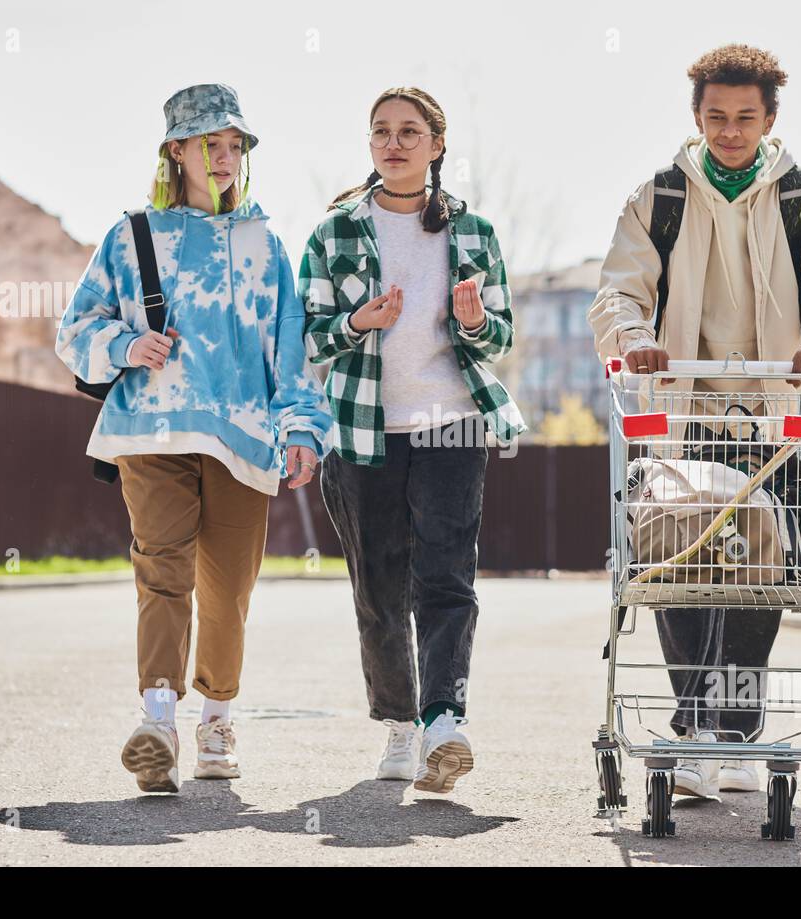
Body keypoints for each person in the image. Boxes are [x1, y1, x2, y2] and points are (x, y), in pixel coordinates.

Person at [587, 45, 801, 797]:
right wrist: (635, 337)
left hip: (775, 414)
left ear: (770, 118)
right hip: (685, 412)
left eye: (746, 118)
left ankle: (736, 735)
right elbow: (617, 292)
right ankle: (693, 728)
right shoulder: (661, 197)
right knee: (681, 557)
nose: (731, 132)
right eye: (717, 118)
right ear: (697, 117)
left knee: (756, 569)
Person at [55, 83, 331, 793]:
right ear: (176, 151)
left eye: (236, 145)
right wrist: (125, 345)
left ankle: (217, 721)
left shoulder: (267, 247)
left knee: (230, 588)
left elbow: (290, 352)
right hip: (150, 429)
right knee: (162, 567)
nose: (227, 157)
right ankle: (156, 719)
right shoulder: (131, 237)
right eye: (213, 143)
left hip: (244, 438)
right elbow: (74, 330)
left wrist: (302, 430)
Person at [299, 86, 526, 793]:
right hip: (364, 431)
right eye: (381, 132)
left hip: (452, 423)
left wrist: (472, 321)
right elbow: (307, 336)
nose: (393, 143)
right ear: (371, 146)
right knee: (378, 584)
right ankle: (399, 724)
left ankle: (442, 720)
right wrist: (358, 323)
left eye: (408, 132)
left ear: (435, 146)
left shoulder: (473, 233)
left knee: (447, 577)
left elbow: (503, 334)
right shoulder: (335, 233)